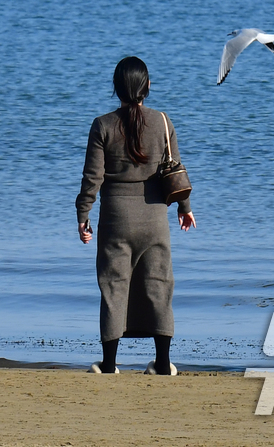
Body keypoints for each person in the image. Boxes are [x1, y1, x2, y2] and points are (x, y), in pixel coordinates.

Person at [75, 56, 195, 375]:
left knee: (114, 286)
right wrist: (185, 209)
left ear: (116, 89)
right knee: (159, 284)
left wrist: (83, 214)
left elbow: (92, 178)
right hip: (155, 218)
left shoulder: (103, 125)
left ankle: (110, 365)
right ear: (148, 87)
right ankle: (163, 364)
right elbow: (177, 169)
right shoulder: (163, 122)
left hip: (116, 219)